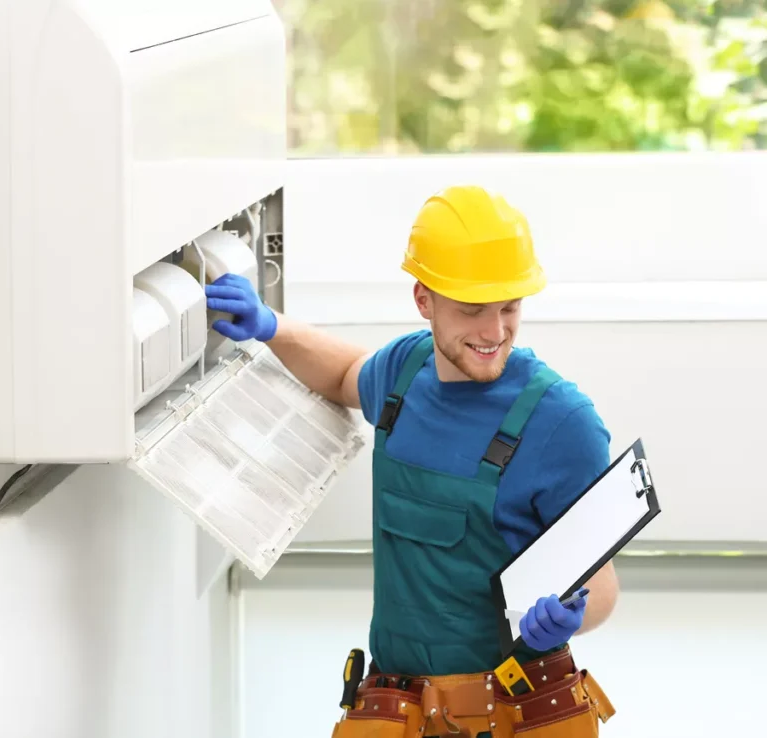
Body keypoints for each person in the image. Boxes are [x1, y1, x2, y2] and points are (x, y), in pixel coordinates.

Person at [205, 185, 619, 737]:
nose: (495, 332)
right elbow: (346, 374)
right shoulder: (404, 373)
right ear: (424, 301)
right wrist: (270, 326)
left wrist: (568, 619)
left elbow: (603, 588)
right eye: (472, 310)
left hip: (513, 712)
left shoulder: (561, 422)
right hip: (399, 709)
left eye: (509, 307)